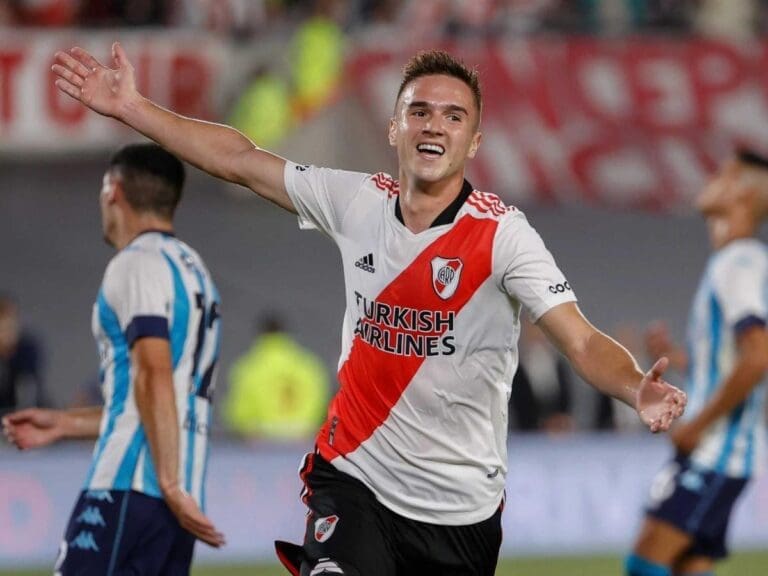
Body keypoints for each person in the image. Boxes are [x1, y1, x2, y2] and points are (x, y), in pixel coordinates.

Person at [50, 44, 686, 576]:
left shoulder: (503, 237)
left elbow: (578, 340)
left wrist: (635, 388)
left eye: (454, 116)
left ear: (474, 140)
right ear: (395, 128)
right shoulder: (356, 203)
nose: (434, 124)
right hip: (355, 481)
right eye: (420, 111)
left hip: (460, 512)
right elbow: (241, 161)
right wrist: (131, 107)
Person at [2, 143, 225, 575]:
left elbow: (153, 372)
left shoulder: (135, 264)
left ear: (113, 191)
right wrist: (66, 424)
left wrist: (167, 482)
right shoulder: (195, 271)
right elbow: (161, 399)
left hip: (130, 485)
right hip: (177, 494)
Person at [625, 149, 768, 576]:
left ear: (743, 192)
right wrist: (686, 358)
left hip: (717, 452)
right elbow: (735, 361)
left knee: (644, 564)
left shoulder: (738, 261)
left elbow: (759, 355)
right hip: (723, 453)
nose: (710, 180)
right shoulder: (737, 261)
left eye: (722, 174)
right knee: (689, 568)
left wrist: (697, 426)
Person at [222, 312, 329, 441]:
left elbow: (238, 411)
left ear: (261, 335)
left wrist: (248, 429)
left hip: (261, 442)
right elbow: (322, 399)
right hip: (303, 440)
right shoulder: (308, 365)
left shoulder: (247, 367)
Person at [0, 294, 48, 419]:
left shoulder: (27, 348)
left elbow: (28, 391)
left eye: (11, 324)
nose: (8, 332)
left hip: (24, 415)